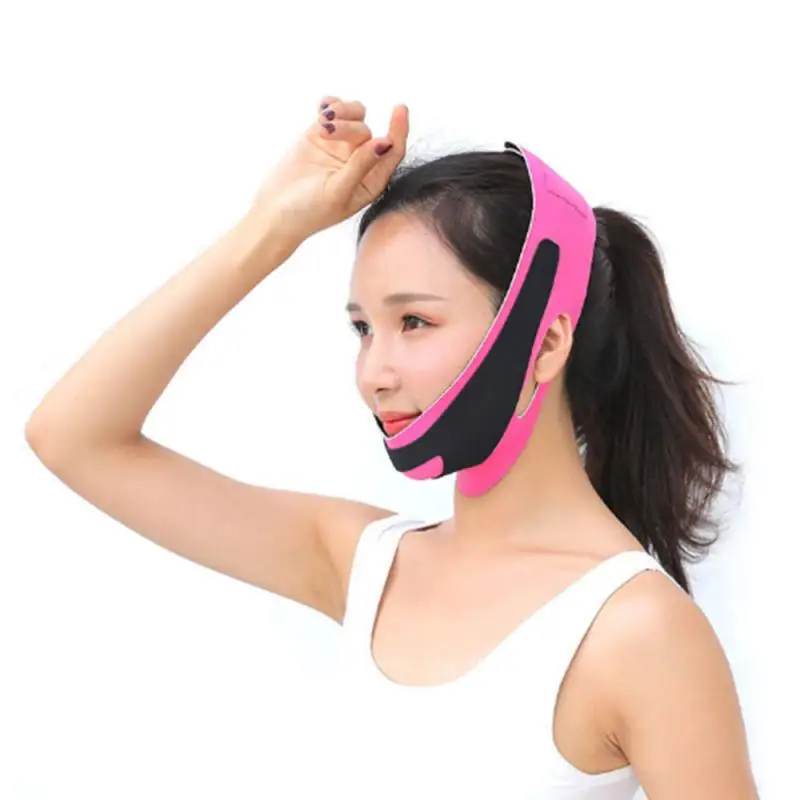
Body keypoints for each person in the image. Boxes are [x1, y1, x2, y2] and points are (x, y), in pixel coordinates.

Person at [25, 96, 759, 799]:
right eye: (362, 329)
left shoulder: (637, 630)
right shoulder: (366, 566)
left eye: (414, 323)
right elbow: (72, 438)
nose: (373, 374)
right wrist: (271, 227)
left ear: (545, 343)